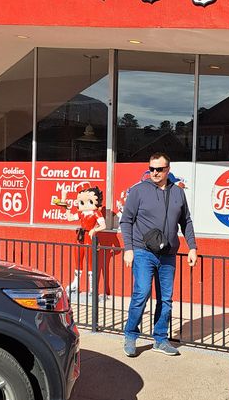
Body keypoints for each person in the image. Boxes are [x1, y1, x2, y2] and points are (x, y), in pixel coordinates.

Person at [120, 152, 197, 357]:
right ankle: (130, 335)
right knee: (142, 293)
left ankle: (160, 339)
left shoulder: (178, 193)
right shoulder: (138, 191)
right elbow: (126, 220)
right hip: (143, 251)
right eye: (151, 169)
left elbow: (186, 221)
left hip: (168, 254)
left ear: (168, 170)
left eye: (159, 169)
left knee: (166, 299)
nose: (155, 173)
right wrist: (128, 249)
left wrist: (192, 247)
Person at [67, 183, 106, 297]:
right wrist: (67, 209)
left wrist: (94, 230)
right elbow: (70, 218)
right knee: (78, 260)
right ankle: (76, 283)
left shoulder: (96, 213)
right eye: (82, 202)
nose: (84, 205)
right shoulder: (82, 213)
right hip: (80, 238)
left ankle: (92, 287)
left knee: (90, 263)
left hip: (89, 238)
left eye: (88, 201)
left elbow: (103, 225)